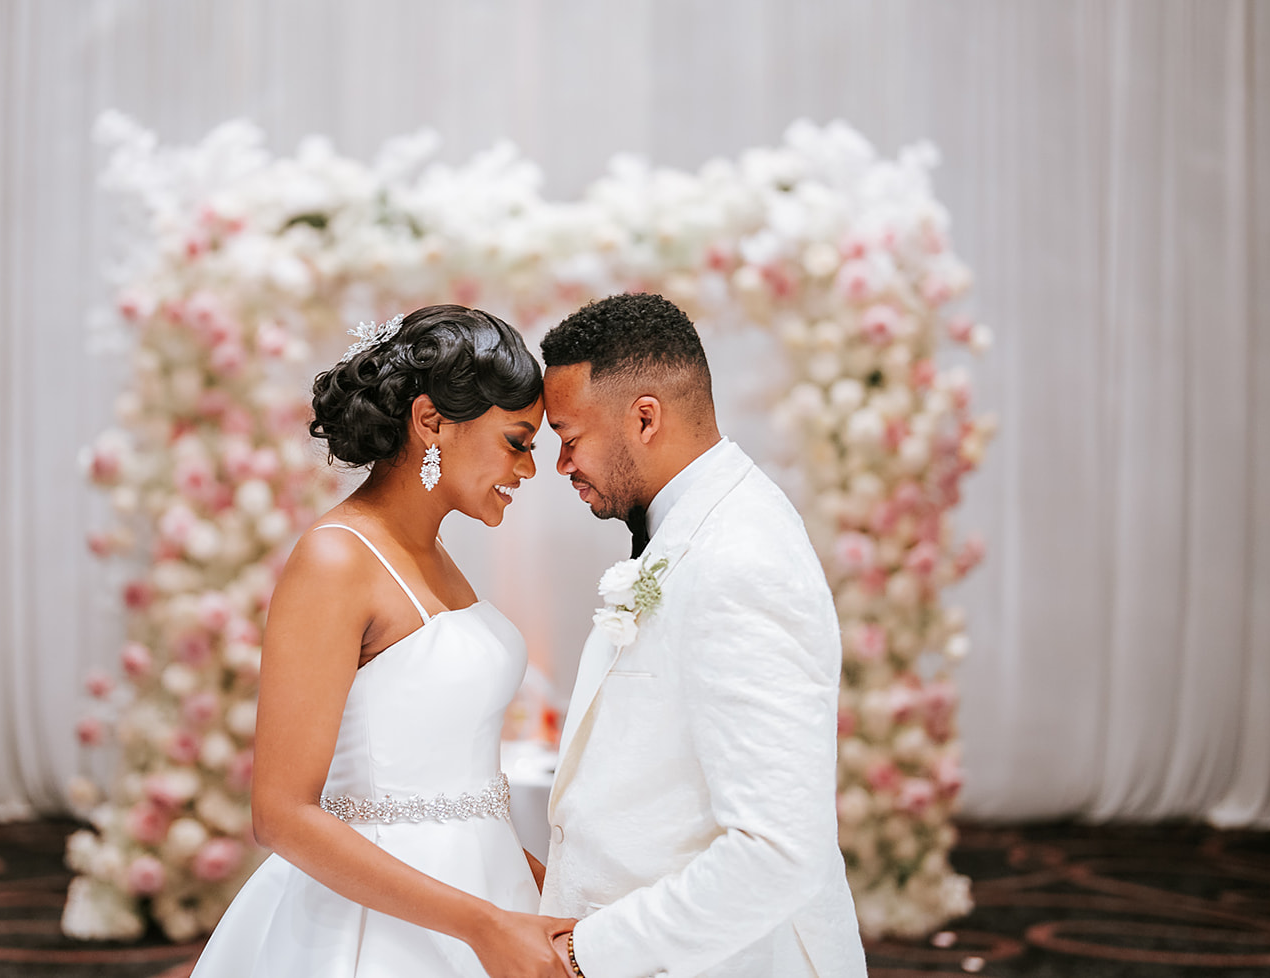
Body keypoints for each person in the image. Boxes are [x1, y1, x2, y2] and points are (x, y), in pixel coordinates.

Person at [190, 305, 575, 978]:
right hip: (378, 929)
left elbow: (459, 793)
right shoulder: (335, 561)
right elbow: (281, 815)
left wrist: (550, 893)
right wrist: (483, 926)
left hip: (485, 896)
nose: (529, 469)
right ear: (431, 422)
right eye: (518, 441)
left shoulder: (436, 555)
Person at [537, 294, 867, 978]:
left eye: (569, 439)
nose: (561, 465)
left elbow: (777, 852)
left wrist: (584, 952)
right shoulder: (693, 529)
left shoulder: (740, 557)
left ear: (645, 416)